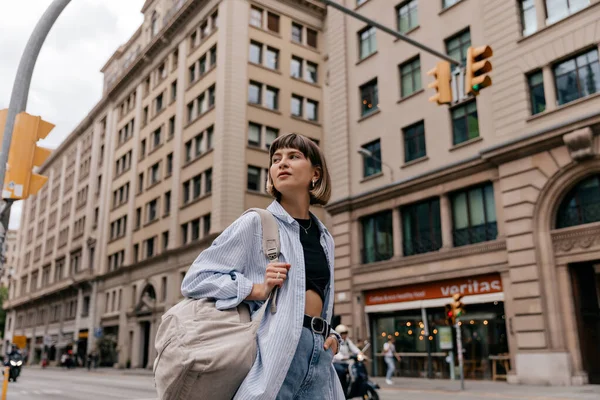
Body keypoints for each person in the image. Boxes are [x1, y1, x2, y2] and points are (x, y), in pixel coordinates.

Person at [182, 133, 345, 400]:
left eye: (293, 157)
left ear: (315, 173)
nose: (282, 163)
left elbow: (320, 300)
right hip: (274, 355)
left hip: (320, 356)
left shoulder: (325, 237)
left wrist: (332, 335)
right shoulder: (256, 223)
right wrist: (255, 289)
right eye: (276, 159)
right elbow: (196, 279)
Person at [333, 324, 361, 394]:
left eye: (346, 333)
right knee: (342, 371)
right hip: (336, 363)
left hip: (345, 363)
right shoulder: (335, 341)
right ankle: (342, 390)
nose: (345, 335)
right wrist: (347, 357)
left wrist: (360, 354)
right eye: (343, 333)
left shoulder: (347, 341)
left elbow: (354, 348)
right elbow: (337, 355)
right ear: (339, 334)